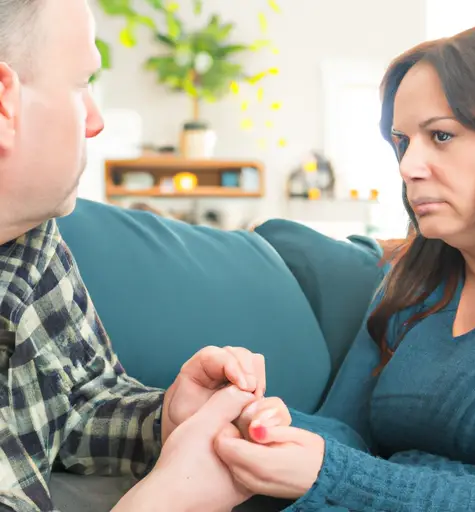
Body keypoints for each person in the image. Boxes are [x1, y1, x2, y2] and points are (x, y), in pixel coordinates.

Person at [0, 1, 294, 510]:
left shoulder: (31, 236)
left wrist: (163, 419)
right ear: (4, 104)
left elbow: (75, 402)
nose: (95, 122)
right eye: (80, 84)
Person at [213, 16, 475, 511]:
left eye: (440, 136)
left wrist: (342, 476)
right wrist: (252, 416)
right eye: (402, 141)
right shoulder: (413, 282)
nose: (408, 167)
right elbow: (348, 431)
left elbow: (345, 469)